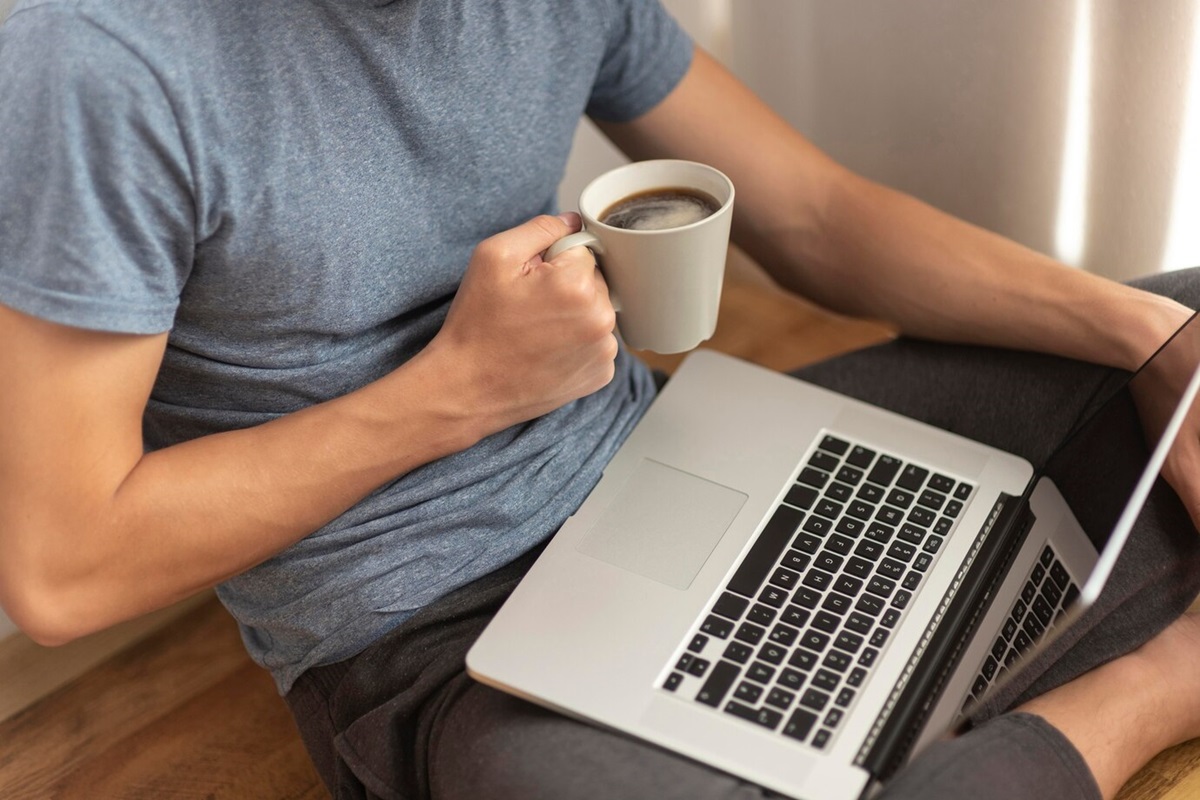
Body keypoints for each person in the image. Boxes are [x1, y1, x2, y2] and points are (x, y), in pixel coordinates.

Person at [0, 1, 1198, 798]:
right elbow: (65, 570)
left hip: (686, 463)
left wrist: (1154, 340)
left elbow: (816, 213)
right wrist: (457, 393)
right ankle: (1140, 680)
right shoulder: (98, 63)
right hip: (435, 642)